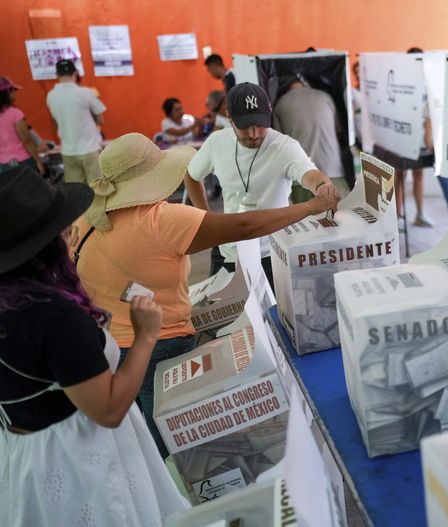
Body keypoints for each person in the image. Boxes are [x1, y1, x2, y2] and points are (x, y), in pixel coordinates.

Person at [73, 132, 337, 457]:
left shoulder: (86, 218)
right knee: (175, 449)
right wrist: (311, 206)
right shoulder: (161, 220)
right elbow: (245, 227)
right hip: (161, 346)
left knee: (140, 438)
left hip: (108, 346)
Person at [0, 166, 187, 525]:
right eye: (63, 229)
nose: (71, 232)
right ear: (45, 247)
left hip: (28, 456)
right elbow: (109, 408)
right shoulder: (54, 317)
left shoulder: (14, 305)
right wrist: (146, 335)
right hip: (80, 462)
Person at [184, 82, 341, 283]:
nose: (254, 134)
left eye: (260, 124)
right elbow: (191, 175)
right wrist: (205, 218)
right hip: (228, 251)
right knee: (224, 311)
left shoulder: (284, 147)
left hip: (273, 254)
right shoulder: (216, 143)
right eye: (245, 126)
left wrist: (322, 187)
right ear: (229, 117)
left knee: (275, 313)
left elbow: (310, 174)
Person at [273, 76, 349, 203]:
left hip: (301, 177)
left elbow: (278, 144)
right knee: (343, 218)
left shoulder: (280, 104)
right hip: (333, 171)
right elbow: (339, 131)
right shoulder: (325, 97)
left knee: (306, 221)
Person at [46, 59, 106, 185]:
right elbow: (100, 119)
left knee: (77, 192)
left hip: (68, 151)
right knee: (98, 190)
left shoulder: (50, 96)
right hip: (90, 150)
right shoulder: (86, 93)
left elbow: (55, 122)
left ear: (56, 75)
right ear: (75, 73)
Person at [395, 47, 433, 230]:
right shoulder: (400, 82)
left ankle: (420, 214)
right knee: (400, 175)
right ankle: (397, 217)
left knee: (419, 174)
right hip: (402, 136)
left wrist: (428, 134)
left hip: (419, 138)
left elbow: (428, 111)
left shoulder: (426, 83)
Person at [0, 77, 45, 175]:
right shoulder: (15, 113)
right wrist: (38, 161)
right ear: (7, 92)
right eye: (13, 90)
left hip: (4, 165)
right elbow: (27, 140)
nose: (15, 93)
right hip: (23, 161)